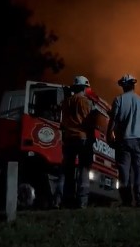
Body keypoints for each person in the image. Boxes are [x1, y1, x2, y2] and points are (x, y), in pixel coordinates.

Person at [107, 74, 140, 208]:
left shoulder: (118, 100)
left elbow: (112, 121)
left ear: (123, 86)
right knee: (139, 170)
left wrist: (109, 135)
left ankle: (126, 200)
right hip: (139, 141)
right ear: (133, 85)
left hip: (123, 141)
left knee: (124, 171)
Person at [54, 75, 94, 209]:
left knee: (66, 170)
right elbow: (89, 122)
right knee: (83, 169)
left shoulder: (66, 102)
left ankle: (60, 200)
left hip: (69, 138)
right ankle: (82, 201)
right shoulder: (85, 102)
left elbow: (62, 122)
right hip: (82, 138)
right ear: (84, 87)